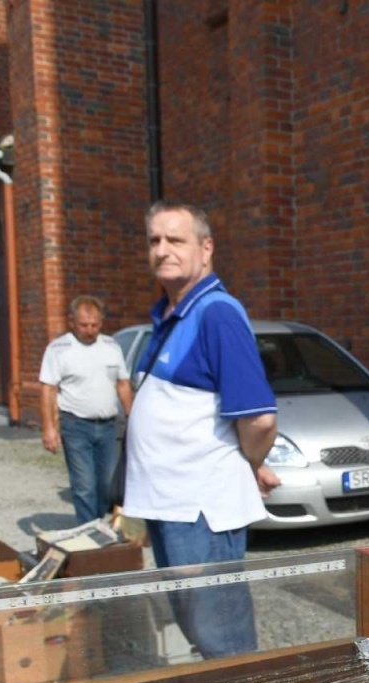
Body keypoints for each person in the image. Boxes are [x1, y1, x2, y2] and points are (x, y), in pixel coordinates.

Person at [122, 201, 279, 658]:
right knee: (197, 629)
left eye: (176, 239)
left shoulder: (216, 313)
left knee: (221, 638)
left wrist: (252, 462)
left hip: (199, 511)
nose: (162, 249)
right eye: (155, 240)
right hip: (174, 506)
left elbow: (258, 417)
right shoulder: (172, 316)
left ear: (205, 248)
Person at [39, 295, 132, 524]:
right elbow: (48, 389)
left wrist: (133, 416)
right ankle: (87, 529)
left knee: (107, 484)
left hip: (108, 426)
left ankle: (98, 523)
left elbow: (122, 383)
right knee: (84, 485)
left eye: (94, 325)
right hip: (76, 425)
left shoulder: (111, 346)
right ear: (72, 322)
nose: (89, 330)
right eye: (83, 325)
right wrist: (49, 428)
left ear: (101, 323)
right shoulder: (59, 349)